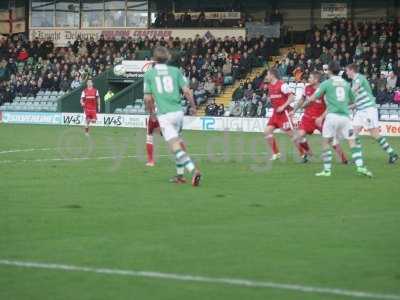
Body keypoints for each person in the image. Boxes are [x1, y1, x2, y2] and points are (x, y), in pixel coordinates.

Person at [144, 46, 201, 186]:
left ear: (153, 59)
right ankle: (180, 176)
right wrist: (193, 107)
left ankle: (193, 170)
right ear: (167, 58)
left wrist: (151, 114)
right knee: (178, 141)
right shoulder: (176, 71)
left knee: (174, 146)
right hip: (178, 112)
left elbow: (148, 99)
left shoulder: (149, 74)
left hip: (165, 114)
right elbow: (187, 91)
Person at [308, 62, 372, 177]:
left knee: (326, 142)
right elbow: (353, 100)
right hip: (345, 117)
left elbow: (314, 97)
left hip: (332, 116)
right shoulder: (346, 84)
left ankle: (327, 170)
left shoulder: (326, 83)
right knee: (352, 142)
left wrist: (307, 101)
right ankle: (360, 166)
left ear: (329, 71)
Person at [346, 63, 398, 164]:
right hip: (361, 110)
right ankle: (357, 158)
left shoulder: (359, 78)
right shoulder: (354, 81)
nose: (346, 72)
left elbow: (352, 91)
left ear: (352, 70)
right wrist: (346, 107)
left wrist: (342, 99)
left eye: (347, 70)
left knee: (374, 134)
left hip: (368, 109)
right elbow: (357, 101)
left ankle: (392, 154)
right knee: (353, 133)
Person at [293, 71, 348, 164]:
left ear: (316, 79)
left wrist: (322, 117)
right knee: (298, 137)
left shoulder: (324, 90)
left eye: (310, 78)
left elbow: (329, 106)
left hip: (320, 119)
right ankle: (308, 154)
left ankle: (343, 159)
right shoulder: (306, 88)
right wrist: (294, 110)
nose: (308, 79)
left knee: (331, 139)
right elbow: (301, 100)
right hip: (308, 118)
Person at [264, 69, 305, 161]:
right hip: (275, 114)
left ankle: (303, 153)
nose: (266, 77)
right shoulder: (270, 86)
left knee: (291, 134)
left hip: (284, 114)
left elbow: (292, 97)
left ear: (272, 75)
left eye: (267, 74)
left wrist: (283, 106)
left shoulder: (282, 85)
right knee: (267, 131)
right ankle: (276, 153)